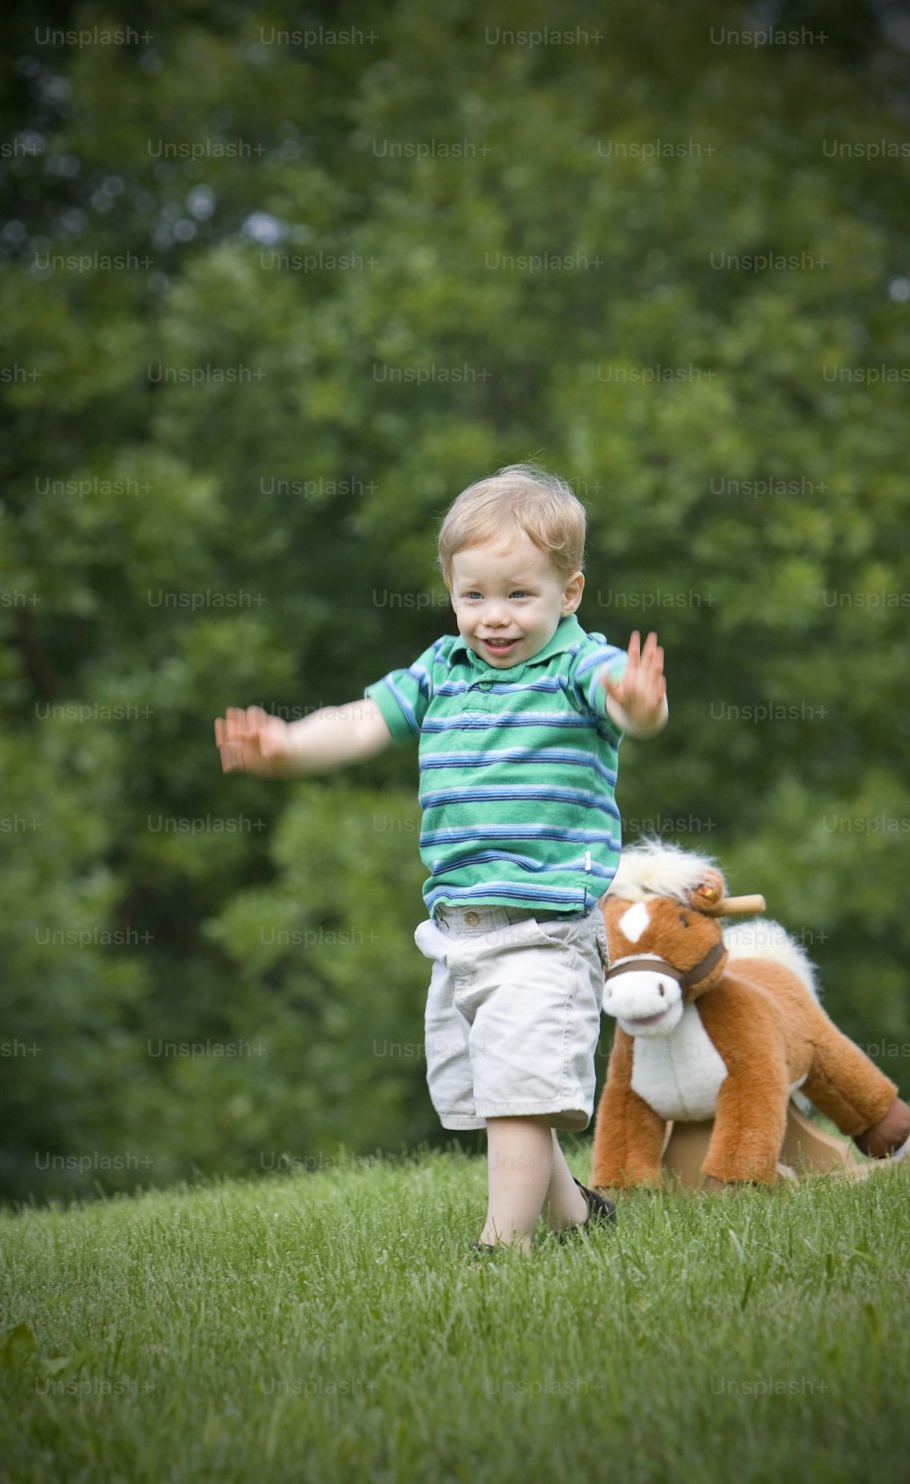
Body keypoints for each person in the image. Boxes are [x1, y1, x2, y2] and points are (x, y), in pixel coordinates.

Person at [215, 463, 668, 1255]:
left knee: (520, 1095)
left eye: (519, 595)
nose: (494, 618)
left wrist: (639, 701)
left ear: (570, 592)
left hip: (547, 928)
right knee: (500, 1089)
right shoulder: (440, 670)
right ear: (451, 590)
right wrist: (288, 745)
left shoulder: (576, 668)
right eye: (474, 596)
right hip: (458, 931)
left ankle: (503, 1245)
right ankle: (575, 1216)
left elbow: (626, 702)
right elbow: (360, 722)